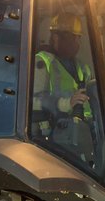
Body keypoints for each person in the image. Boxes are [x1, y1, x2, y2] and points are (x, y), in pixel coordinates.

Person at [32, 12, 96, 154]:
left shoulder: (83, 68)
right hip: (52, 140)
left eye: (79, 38)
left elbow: (91, 107)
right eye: (73, 38)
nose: (77, 43)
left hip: (82, 133)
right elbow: (32, 101)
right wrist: (66, 103)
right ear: (56, 37)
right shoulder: (42, 62)